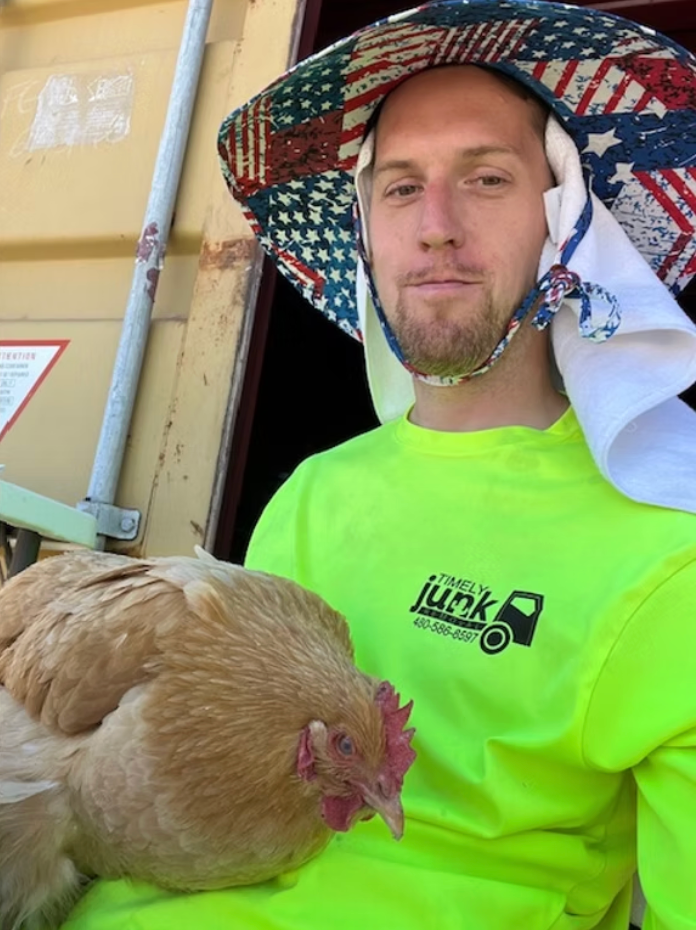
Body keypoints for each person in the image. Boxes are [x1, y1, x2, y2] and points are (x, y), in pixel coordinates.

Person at [62, 1, 696, 928]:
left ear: (565, 223)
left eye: (486, 178)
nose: (435, 225)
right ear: (365, 233)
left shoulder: (669, 552)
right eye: (400, 188)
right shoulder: (314, 492)